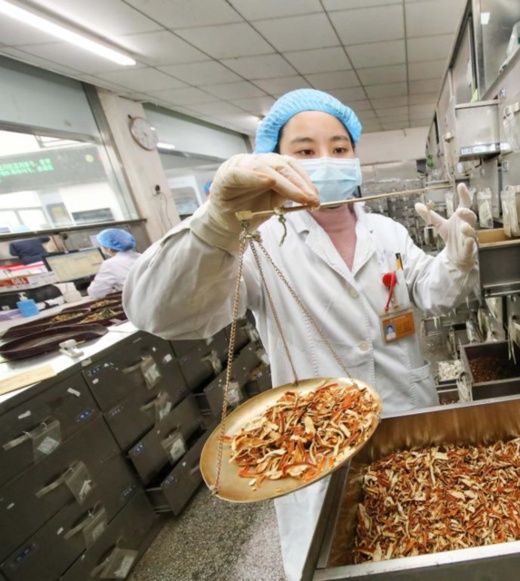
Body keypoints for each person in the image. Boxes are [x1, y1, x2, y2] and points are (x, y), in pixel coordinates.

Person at [123, 89, 479, 580]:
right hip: (315, 448)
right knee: (338, 560)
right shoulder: (258, 240)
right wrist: (215, 225)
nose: (326, 162)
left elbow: (429, 292)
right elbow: (159, 312)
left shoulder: (387, 232)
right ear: (275, 161)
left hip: (406, 416)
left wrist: (455, 262)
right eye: (305, 152)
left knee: (426, 545)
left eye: (339, 148)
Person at [87, 228, 141, 299]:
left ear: (108, 248)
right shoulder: (141, 256)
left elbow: (96, 293)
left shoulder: (110, 264)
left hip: (136, 302)